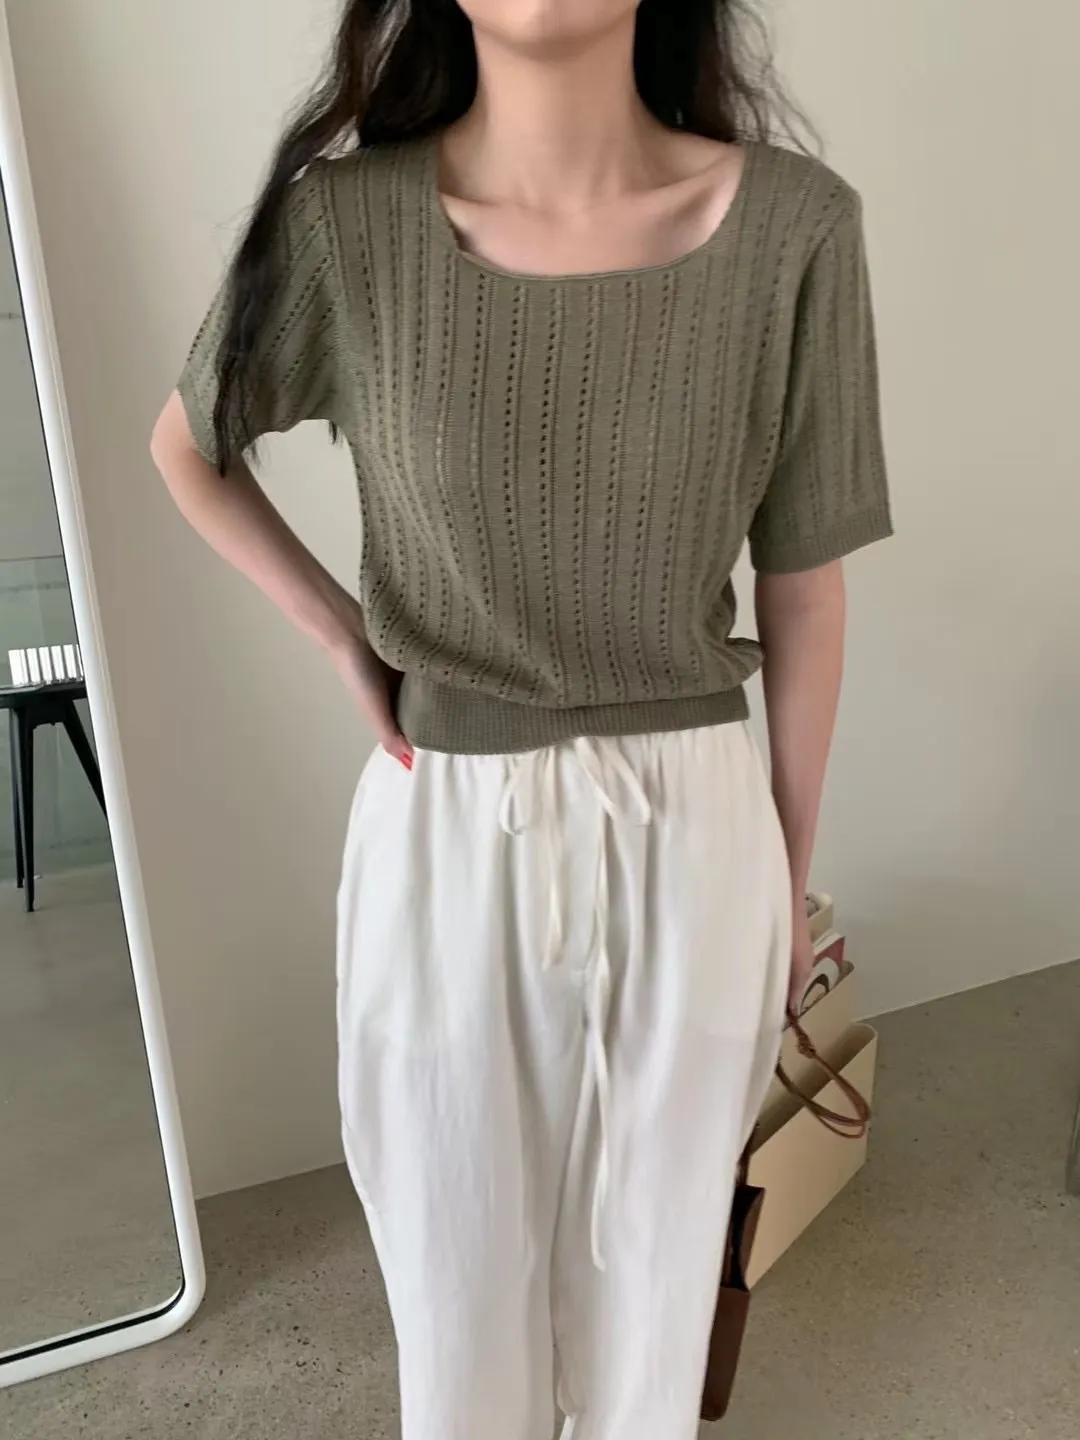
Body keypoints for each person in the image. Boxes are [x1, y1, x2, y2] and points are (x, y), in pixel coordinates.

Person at [151, 2, 891, 1436]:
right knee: (454, 1284)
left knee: (657, 1289)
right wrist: (345, 636)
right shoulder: (345, 227)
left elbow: (804, 583)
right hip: (443, 822)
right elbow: (190, 444)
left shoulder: (797, 229)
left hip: (698, 830)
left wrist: (784, 876)